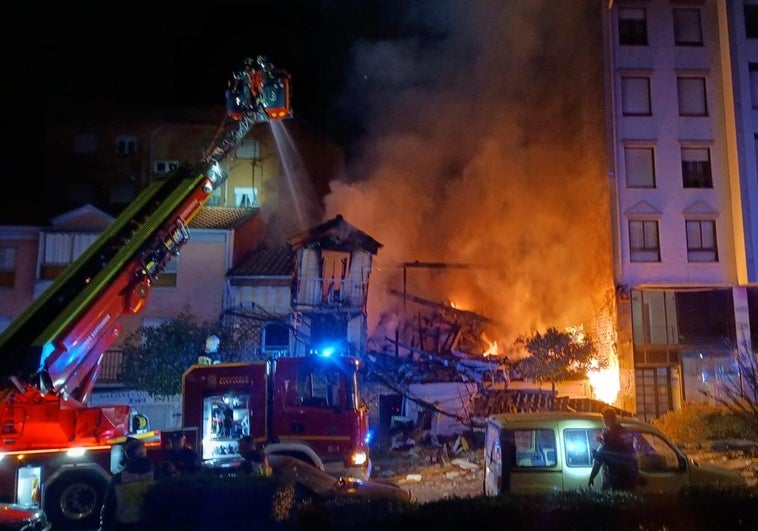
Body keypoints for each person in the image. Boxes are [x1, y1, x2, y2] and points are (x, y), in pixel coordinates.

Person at [99, 437, 156, 531]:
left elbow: (109, 509)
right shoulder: (157, 476)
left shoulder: (117, 480)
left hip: (125, 527)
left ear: (127, 455)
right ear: (144, 453)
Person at [588, 407, 640, 491]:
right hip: (631, 476)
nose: (603, 421)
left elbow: (600, 460)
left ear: (606, 420)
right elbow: (621, 449)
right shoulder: (625, 431)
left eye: (603, 419)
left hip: (617, 477)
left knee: (614, 500)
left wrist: (591, 477)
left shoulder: (609, 436)